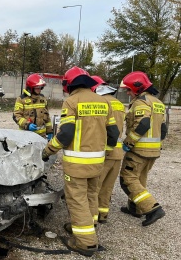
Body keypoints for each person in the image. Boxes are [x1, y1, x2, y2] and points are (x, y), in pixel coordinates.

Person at [41, 66, 119, 257]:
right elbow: (114, 134)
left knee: (77, 201)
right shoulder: (103, 102)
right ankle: (88, 226)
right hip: (97, 163)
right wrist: (103, 152)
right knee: (91, 195)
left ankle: (85, 242)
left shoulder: (72, 102)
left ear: (68, 84)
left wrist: (49, 150)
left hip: (77, 165)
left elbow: (65, 134)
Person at [118, 71, 167, 226]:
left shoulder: (141, 102)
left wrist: (128, 142)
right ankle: (135, 209)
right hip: (154, 150)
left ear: (137, 88)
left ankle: (153, 209)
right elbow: (164, 129)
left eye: (128, 89)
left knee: (127, 179)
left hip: (139, 150)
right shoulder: (158, 102)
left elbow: (143, 124)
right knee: (139, 179)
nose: (127, 92)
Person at [91, 76, 125, 224]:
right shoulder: (118, 103)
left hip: (105, 151)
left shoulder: (101, 102)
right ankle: (103, 215)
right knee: (107, 186)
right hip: (118, 152)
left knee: (94, 187)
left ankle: (91, 220)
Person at [12, 74, 53, 140]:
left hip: (41, 137)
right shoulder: (21, 99)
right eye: (37, 87)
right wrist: (27, 125)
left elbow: (47, 117)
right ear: (31, 87)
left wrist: (49, 131)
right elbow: (16, 116)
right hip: (26, 136)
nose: (39, 89)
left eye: (40, 87)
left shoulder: (42, 98)